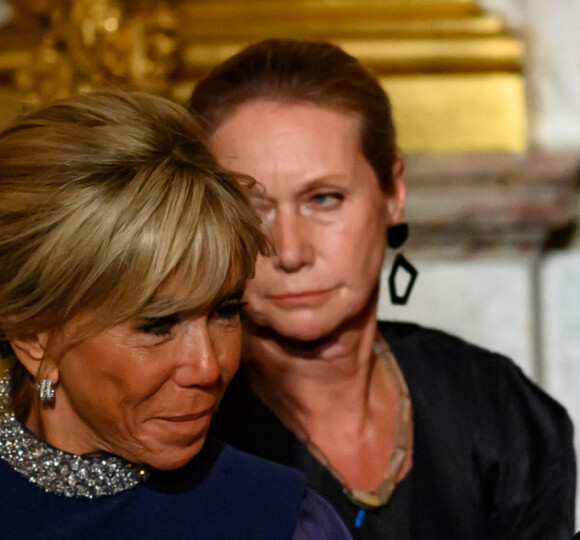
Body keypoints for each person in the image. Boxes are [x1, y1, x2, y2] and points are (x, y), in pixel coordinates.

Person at [189, 38, 576, 539]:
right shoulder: (184, 427)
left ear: (394, 194)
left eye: (324, 199)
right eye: (250, 208)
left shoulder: (494, 406)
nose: (288, 251)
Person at [0, 90, 352, 540]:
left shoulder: (283, 523)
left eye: (225, 312)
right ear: (34, 336)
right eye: (158, 325)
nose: (209, 367)